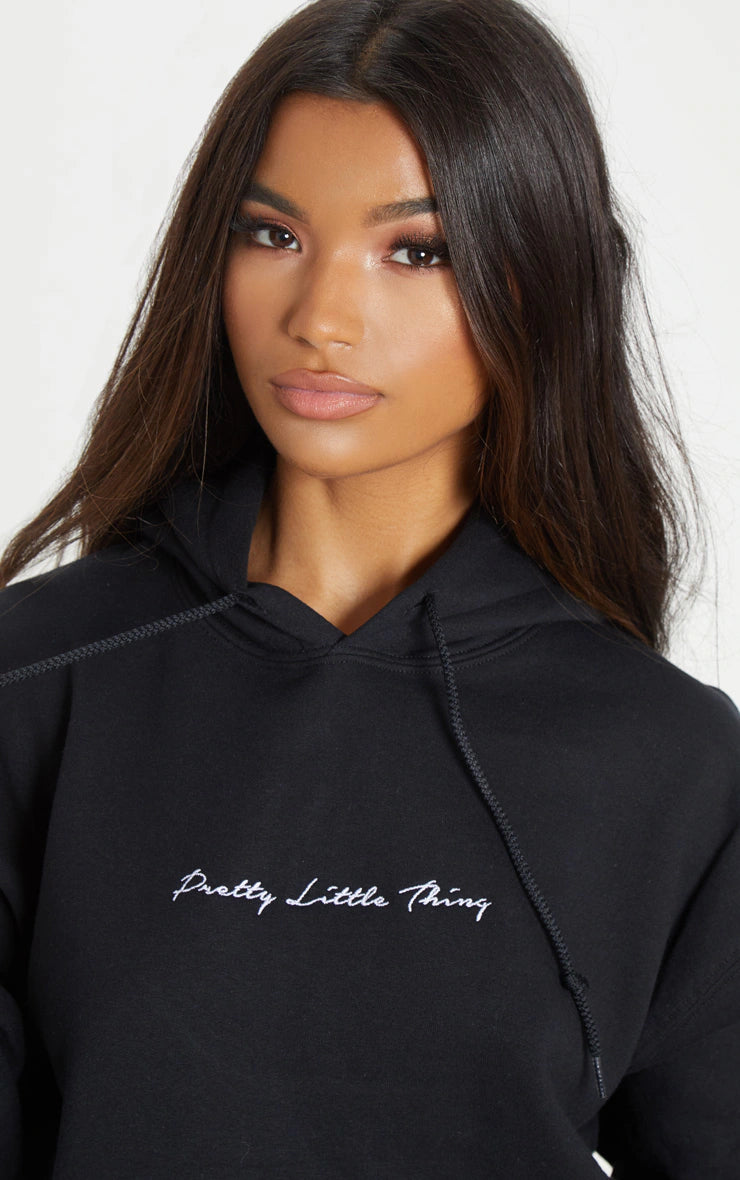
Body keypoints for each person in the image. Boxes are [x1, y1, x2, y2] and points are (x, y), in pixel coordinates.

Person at [1, 0, 738, 1174]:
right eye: (272, 234)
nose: (319, 319)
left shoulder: (673, 765)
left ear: (537, 279)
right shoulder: (39, 681)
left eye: (416, 251)